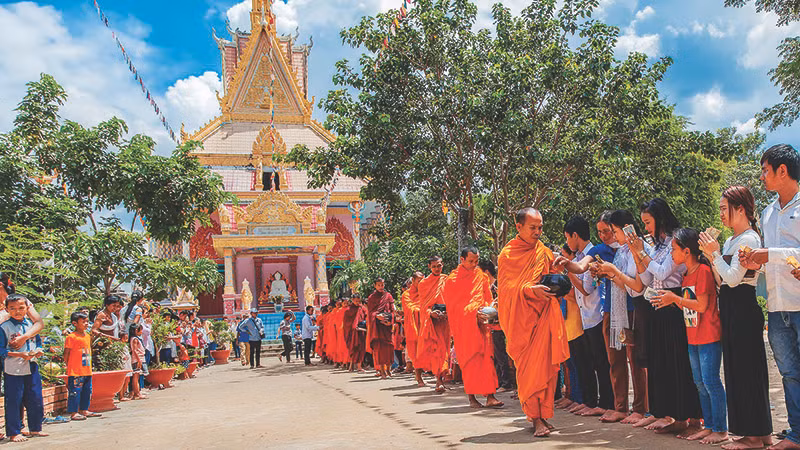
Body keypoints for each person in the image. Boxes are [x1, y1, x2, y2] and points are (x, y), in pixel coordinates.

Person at [699, 185, 773, 449]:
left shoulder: (750, 239)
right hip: (730, 308)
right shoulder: (732, 240)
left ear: (740, 208)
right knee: (737, 371)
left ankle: (754, 436)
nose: (720, 214)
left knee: (747, 371)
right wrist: (711, 256)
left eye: (724, 209)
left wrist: (715, 254)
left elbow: (732, 279)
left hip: (743, 309)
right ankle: (757, 433)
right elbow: (721, 281)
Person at [622, 200, 703, 435]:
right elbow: (647, 279)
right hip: (656, 304)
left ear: (660, 219)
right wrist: (638, 255)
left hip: (675, 302)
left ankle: (693, 417)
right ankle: (675, 416)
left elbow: (663, 272)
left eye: (648, 222)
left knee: (679, 361)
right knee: (663, 362)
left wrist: (640, 252)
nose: (646, 228)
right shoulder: (656, 246)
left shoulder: (675, 242)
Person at [740, 144, 800, 450]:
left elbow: (780, 255)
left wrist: (770, 254)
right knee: (789, 373)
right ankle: (796, 433)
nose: (762, 176)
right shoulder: (766, 213)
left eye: (765, 169)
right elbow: (770, 261)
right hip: (777, 307)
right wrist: (755, 263)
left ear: (782, 170)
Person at [497, 208, 569, 437]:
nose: (538, 232)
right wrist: (529, 290)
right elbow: (507, 290)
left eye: (540, 227)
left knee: (547, 371)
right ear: (518, 227)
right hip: (524, 324)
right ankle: (535, 418)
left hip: (544, 317)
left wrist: (559, 271)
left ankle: (544, 416)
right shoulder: (507, 254)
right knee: (530, 373)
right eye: (533, 227)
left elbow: (551, 275)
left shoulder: (544, 251)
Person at [652, 228, 727, 444]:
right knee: (700, 383)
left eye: (674, 250)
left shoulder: (703, 271)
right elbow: (691, 307)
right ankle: (710, 425)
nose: (671, 254)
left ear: (686, 251)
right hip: (693, 335)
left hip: (708, 335)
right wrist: (672, 299)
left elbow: (702, 306)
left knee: (711, 382)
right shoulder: (687, 274)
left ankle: (721, 429)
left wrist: (674, 299)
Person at [554, 215, 615, 418]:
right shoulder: (579, 257)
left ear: (575, 235)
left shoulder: (592, 254)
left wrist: (568, 270)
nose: (567, 242)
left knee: (601, 363)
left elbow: (587, 289)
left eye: (567, 237)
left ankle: (607, 403)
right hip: (585, 317)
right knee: (589, 364)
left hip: (596, 315)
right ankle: (590, 401)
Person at [443, 246, 504, 409]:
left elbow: (487, 298)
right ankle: (472, 398)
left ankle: (490, 396)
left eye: (476, 261)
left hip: (481, 326)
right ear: (462, 260)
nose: (474, 264)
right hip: (465, 329)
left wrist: (488, 311)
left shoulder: (481, 276)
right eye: (471, 261)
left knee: (487, 361)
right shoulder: (452, 280)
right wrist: (472, 313)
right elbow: (453, 308)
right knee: (469, 362)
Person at [0, 293, 47, 442]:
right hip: (13, 369)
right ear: (6, 309)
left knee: (35, 398)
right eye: (13, 308)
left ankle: (35, 428)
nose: (17, 311)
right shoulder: (4, 327)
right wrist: (19, 354)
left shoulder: (30, 326)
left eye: (21, 307)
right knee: (14, 400)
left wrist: (38, 350)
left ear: (28, 308)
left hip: (31, 366)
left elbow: (37, 342)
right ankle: (14, 432)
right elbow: (1, 350)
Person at [416, 256, 451, 393]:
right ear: (429, 267)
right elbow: (423, 305)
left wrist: (448, 311)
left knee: (444, 349)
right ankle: (438, 380)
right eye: (434, 266)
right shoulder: (424, 284)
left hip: (445, 320)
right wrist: (431, 313)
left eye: (439, 265)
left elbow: (452, 298)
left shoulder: (447, 280)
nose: (437, 268)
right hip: (432, 322)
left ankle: (440, 378)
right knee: (437, 349)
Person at [63, 311, 101, 422]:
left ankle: (84, 409)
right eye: (83, 322)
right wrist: (67, 365)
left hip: (87, 369)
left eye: (87, 322)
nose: (86, 324)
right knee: (75, 391)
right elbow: (66, 353)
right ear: (75, 323)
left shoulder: (87, 336)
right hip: (75, 370)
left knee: (87, 390)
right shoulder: (71, 337)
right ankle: (74, 412)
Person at [366, 278, 395, 379]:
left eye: (382, 284)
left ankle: (389, 369)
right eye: (378, 285)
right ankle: (382, 370)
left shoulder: (388, 296)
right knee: (380, 350)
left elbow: (392, 310)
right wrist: (377, 316)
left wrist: (389, 320)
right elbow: (370, 313)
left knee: (389, 348)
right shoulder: (371, 298)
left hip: (387, 326)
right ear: (375, 286)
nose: (381, 287)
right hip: (378, 328)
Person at [348, 295, 368, 372]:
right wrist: (353, 327)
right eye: (355, 301)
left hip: (361, 330)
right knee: (353, 348)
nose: (357, 302)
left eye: (358, 301)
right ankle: (351, 365)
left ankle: (359, 366)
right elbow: (347, 322)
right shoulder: (349, 309)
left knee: (361, 348)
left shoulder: (362, 308)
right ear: (352, 300)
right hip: (352, 332)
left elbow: (366, 316)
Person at [128, 323, 148, 400]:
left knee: (137, 376)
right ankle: (137, 393)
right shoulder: (135, 339)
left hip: (138, 359)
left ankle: (136, 392)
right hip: (137, 359)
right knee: (136, 377)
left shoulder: (134, 338)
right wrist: (139, 360)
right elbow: (135, 350)